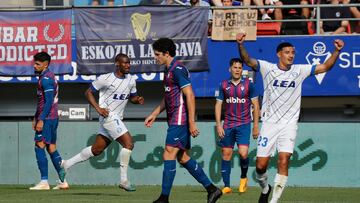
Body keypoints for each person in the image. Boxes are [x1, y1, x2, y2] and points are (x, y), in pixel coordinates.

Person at [236, 32, 344, 203]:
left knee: (284, 159)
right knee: (260, 166)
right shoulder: (267, 68)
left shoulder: (299, 70)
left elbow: (324, 67)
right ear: (279, 54)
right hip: (269, 123)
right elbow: (248, 60)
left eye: (293, 52)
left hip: (289, 124)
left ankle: (274, 201)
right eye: (287, 52)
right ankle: (265, 188)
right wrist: (241, 45)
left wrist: (336, 51)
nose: (291, 55)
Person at [144, 38, 222, 203]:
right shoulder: (168, 70)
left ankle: (164, 198)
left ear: (166, 54)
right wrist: (155, 113)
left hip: (180, 118)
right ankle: (212, 189)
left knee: (168, 153)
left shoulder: (178, 69)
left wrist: (192, 122)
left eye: (157, 54)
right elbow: (168, 97)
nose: (155, 57)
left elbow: (190, 95)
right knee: (183, 157)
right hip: (173, 118)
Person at [61, 53, 144, 192]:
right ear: (117, 63)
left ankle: (66, 164)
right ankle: (123, 180)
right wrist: (98, 109)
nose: (128, 65)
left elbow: (133, 97)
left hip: (117, 118)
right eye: (125, 63)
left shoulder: (131, 80)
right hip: (108, 116)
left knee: (96, 149)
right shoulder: (105, 79)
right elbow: (88, 92)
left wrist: (137, 100)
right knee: (129, 143)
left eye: (129, 62)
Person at [215, 58, 260, 194]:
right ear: (230, 69)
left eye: (239, 68)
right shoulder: (223, 85)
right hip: (228, 124)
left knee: (243, 153)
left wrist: (256, 126)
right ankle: (227, 186)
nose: (237, 70)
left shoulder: (249, 85)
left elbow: (256, 105)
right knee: (226, 154)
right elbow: (218, 105)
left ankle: (243, 178)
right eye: (235, 67)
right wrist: (218, 125)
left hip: (244, 124)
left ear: (242, 70)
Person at [29, 51, 67, 190]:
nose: (35, 66)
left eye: (38, 64)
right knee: (51, 148)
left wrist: (41, 120)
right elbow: (42, 101)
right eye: (34, 63)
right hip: (51, 117)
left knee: (39, 146)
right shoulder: (46, 76)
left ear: (45, 65)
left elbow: (49, 101)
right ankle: (63, 182)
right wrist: (35, 117)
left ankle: (44, 182)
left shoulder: (46, 79)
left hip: (48, 118)